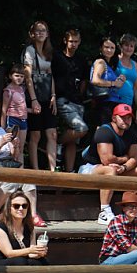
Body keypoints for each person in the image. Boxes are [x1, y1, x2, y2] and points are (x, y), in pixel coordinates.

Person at [0, 97, 44, 227]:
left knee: (28, 179)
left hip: (8, 164)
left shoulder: (0, 130)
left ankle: (33, 214)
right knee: (10, 180)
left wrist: (15, 146)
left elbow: (14, 156)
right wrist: (0, 143)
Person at [78, 103, 137, 225]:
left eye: (128, 118)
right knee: (110, 170)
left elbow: (135, 158)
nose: (126, 120)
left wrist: (124, 167)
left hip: (116, 169)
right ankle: (104, 211)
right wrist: (125, 158)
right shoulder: (104, 131)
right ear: (114, 118)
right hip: (89, 168)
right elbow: (107, 160)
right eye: (122, 117)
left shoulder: (131, 134)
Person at [22, 20, 58, 171]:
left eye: (44, 30)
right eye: (38, 30)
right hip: (34, 96)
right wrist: (34, 100)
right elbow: (27, 76)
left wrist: (54, 96)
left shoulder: (48, 51)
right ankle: (36, 170)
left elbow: (51, 76)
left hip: (47, 96)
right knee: (35, 134)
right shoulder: (29, 50)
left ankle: (52, 169)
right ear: (32, 34)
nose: (41, 33)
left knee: (52, 133)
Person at [51, 28, 89, 172]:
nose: (73, 44)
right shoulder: (57, 56)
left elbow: (85, 79)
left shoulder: (81, 59)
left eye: (76, 41)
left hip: (78, 101)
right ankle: (58, 143)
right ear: (65, 41)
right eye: (71, 41)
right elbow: (50, 77)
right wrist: (53, 96)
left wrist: (81, 94)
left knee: (73, 140)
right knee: (81, 129)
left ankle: (70, 171)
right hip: (62, 99)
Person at [98, 191, 137, 265]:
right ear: (124, 208)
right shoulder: (116, 220)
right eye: (131, 206)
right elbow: (126, 246)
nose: (134, 209)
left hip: (127, 257)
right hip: (109, 260)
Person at [89, 36, 126, 124]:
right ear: (101, 48)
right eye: (106, 47)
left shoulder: (108, 65)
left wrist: (119, 81)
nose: (109, 50)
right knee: (103, 130)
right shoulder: (101, 62)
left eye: (112, 48)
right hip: (104, 103)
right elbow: (95, 80)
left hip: (110, 103)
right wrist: (114, 83)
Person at [0, 63, 28, 164]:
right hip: (12, 119)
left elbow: (22, 106)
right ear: (10, 76)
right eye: (17, 75)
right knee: (13, 146)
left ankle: (21, 172)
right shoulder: (8, 91)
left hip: (23, 119)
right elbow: (4, 110)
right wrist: (2, 127)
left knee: (21, 147)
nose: (19, 78)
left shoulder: (22, 89)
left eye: (21, 76)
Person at [116, 33, 137, 123]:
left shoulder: (135, 64)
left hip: (128, 103)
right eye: (126, 45)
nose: (129, 48)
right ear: (121, 46)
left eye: (131, 46)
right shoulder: (115, 60)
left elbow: (136, 87)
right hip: (115, 100)